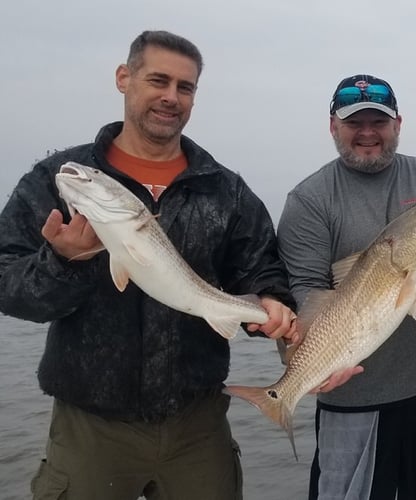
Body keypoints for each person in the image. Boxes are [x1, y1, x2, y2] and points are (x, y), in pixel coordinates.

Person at [0, 30, 299, 500]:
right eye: (158, 80)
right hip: (91, 426)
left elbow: (262, 270)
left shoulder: (225, 190)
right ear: (124, 78)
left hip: (198, 424)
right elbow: (7, 284)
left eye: (185, 87)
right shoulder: (58, 180)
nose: (170, 97)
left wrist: (271, 305)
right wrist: (63, 262)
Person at [277, 74, 416, 500]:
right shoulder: (308, 199)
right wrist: (303, 362)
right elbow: (307, 291)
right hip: (351, 399)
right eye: (353, 123)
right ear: (333, 126)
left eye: (378, 122)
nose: (367, 133)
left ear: (397, 124)